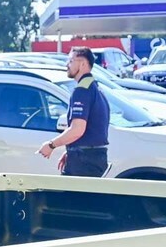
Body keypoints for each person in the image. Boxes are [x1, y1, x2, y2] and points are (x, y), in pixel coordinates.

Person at [36, 46, 110, 177]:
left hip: (84, 161)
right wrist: (71, 149)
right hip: (91, 157)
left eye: (70, 61)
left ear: (82, 64)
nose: (67, 64)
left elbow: (77, 129)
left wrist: (51, 145)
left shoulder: (82, 91)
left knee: (66, 191)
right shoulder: (95, 88)